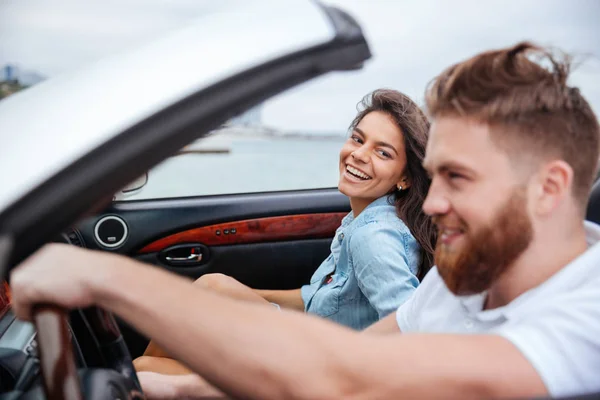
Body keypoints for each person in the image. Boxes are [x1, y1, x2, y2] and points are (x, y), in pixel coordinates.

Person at [10, 41, 600, 399]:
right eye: (435, 174)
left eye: (459, 178)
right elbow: (367, 363)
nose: (433, 201)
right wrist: (173, 387)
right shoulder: (463, 275)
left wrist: (101, 277)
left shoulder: (584, 324)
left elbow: (347, 380)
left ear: (548, 188)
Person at [135, 88, 436, 374]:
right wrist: (239, 298)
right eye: (358, 140)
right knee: (211, 288)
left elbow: (406, 331)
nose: (359, 154)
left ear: (405, 178)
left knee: (143, 370)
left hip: (320, 367)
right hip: (310, 340)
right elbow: (317, 299)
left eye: (383, 153)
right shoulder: (363, 219)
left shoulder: (372, 236)